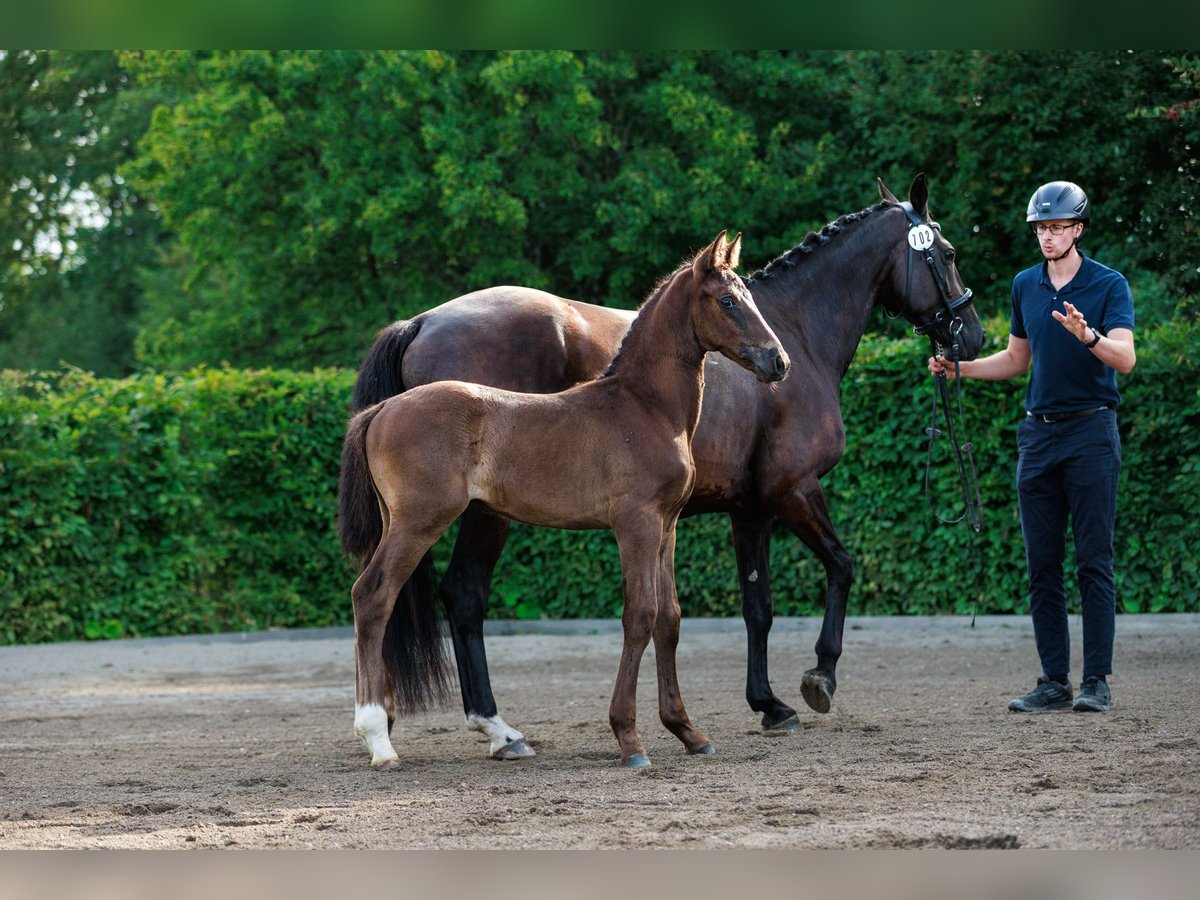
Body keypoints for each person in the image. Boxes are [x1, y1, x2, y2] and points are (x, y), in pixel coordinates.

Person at [929, 180, 1136, 713]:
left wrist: (1088, 336)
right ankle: (1052, 682)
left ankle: (1096, 681)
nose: (1047, 236)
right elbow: (1016, 360)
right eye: (1042, 228)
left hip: (1092, 431)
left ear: (1078, 229)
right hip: (1037, 435)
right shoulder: (1025, 285)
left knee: (1094, 560)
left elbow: (1126, 359)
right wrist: (961, 368)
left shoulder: (1109, 285)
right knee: (1041, 564)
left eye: (1058, 227)